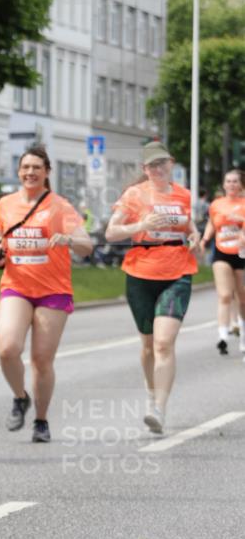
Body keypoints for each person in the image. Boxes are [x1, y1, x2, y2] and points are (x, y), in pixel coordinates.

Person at [0, 145, 92, 443]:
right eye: (25, 167)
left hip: (53, 290)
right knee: (7, 349)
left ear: (47, 172)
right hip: (16, 285)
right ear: (19, 171)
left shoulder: (61, 207)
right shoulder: (6, 204)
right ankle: (20, 397)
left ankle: (41, 419)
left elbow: (87, 246)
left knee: (41, 359)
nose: (30, 172)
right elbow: (2, 244)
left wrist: (71, 239)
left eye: (37, 167)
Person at [105, 141, 201, 435]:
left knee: (163, 343)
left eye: (163, 163)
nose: (159, 169)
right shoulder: (134, 195)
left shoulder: (183, 195)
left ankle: (159, 407)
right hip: (141, 275)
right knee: (147, 345)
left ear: (171, 164)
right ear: (145, 169)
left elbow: (187, 226)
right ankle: (151, 393)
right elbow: (111, 232)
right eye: (153, 165)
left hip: (178, 273)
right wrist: (139, 225)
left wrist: (195, 235)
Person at [199, 169, 245, 355]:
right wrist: (204, 239)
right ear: (224, 184)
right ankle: (222, 337)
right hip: (222, 252)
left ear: (241, 184)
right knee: (225, 295)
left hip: (241, 254)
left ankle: (242, 333)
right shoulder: (217, 204)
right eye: (228, 181)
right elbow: (212, 222)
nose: (232, 184)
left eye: (235, 181)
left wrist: (240, 219)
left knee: (242, 298)